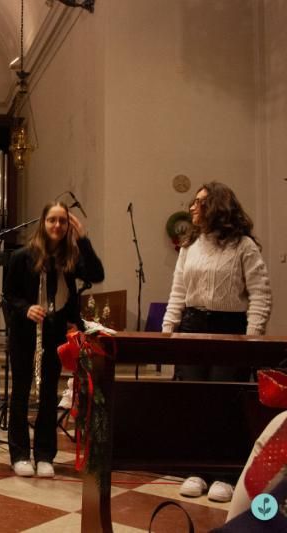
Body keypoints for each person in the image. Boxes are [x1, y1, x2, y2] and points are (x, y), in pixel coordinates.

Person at [162, 181, 272, 503]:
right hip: (193, 325)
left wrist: (252, 337)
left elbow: (260, 294)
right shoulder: (189, 246)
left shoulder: (243, 246)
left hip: (229, 328)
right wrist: (168, 331)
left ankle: (225, 474)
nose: (192, 207)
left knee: (226, 403)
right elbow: (178, 291)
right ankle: (196, 470)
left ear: (217, 206)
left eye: (199, 202)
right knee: (195, 402)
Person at [3, 201, 104, 478]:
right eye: (52, 220)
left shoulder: (71, 258)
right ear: (43, 223)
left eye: (63, 221)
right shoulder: (22, 256)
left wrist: (83, 240)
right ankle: (20, 454)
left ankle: (45, 454)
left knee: (49, 393)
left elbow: (97, 275)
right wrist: (26, 308)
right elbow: (9, 295)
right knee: (21, 392)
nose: (57, 225)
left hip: (54, 330)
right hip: (25, 332)